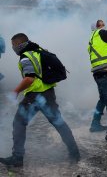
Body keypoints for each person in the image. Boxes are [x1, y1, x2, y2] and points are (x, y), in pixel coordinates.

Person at [0, 33, 80, 167]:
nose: (13, 48)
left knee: (19, 123)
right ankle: (75, 153)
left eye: (14, 45)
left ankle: (17, 158)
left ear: (19, 45)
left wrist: (15, 91)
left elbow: (29, 78)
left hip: (35, 96)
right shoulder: (38, 51)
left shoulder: (26, 57)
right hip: (48, 94)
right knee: (59, 123)